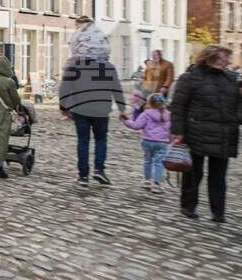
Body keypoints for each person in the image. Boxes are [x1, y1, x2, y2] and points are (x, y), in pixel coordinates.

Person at [169, 45, 242, 223]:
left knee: (218, 176)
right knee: (194, 172)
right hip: (196, 132)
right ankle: (188, 206)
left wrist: (236, 118)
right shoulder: (190, 78)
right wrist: (178, 131)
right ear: (210, 57)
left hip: (224, 133)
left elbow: (239, 103)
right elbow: (178, 106)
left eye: (228, 59)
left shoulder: (231, 79)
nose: (228, 62)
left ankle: (218, 211)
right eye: (224, 58)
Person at [59, 54, 126, 185]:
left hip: (80, 108)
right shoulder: (108, 67)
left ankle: (83, 176)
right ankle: (99, 170)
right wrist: (122, 108)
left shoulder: (75, 66)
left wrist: (63, 106)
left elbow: (65, 87)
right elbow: (117, 88)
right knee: (101, 138)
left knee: (83, 141)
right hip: (101, 109)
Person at [120, 93, 171, 192]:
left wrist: (126, 121)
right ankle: (156, 184)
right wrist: (170, 140)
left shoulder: (146, 114)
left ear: (149, 103)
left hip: (147, 141)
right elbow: (171, 130)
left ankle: (147, 180)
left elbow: (136, 125)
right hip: (162, 143)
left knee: (148, 160)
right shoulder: (168, 115)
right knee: (159, 163)